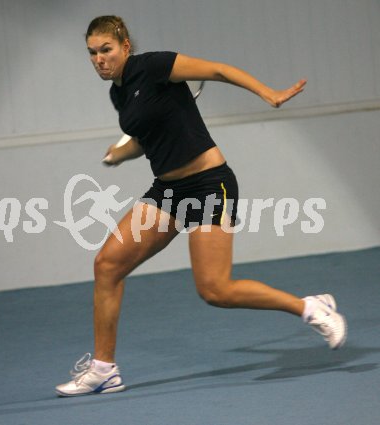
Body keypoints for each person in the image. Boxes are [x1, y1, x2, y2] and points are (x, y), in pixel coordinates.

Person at [55, 15, 347, 397]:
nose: (99, 59)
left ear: (125, 46)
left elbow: (218, 70)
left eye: (105, 50)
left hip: (209, 184)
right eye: (92, 53)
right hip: (168, 191)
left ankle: (310, 308)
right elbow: (146, 137)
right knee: (107, 265)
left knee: (215, 290)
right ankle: (103, 369)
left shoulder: (155, 65)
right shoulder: (119, 93)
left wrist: (267, 92)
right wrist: (123, 152)